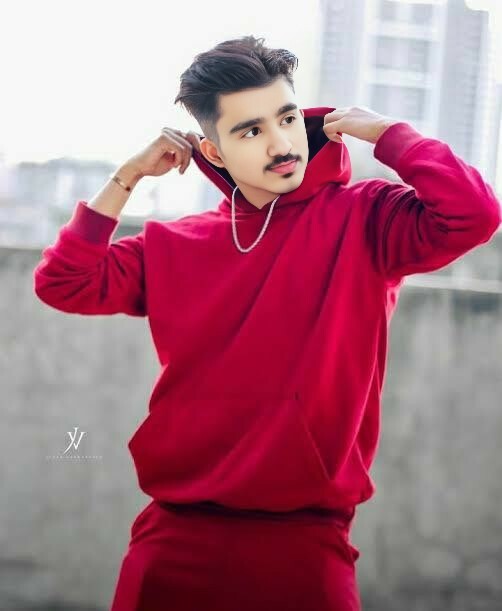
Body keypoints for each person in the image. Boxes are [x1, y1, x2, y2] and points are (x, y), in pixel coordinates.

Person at [33, 35, 501, 611]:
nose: (281, 144)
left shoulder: (367, 219)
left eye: (286, 118)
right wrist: (127, 176)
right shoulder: (173, 245)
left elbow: (474, 215)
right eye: (251, 131)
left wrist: (389, 135)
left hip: (307, 545)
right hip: (175, 539)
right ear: (214, 151)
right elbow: (64, 283)